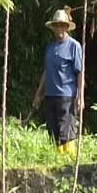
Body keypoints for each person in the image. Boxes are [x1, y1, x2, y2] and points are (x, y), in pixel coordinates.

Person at [32, 8, 83, 157]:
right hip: (50, 95)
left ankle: (70, 162)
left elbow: (80, 72)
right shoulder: (50, 48)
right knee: (53, 132)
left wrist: (80, 96)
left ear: (67, 27)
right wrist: (38, 95)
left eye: (62, 25)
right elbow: (46, 72)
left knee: (66, 132)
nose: (59, 28)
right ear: (53, 28)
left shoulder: (74, 46)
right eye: (57, 25)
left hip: (67, 96)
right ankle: (57, 160)